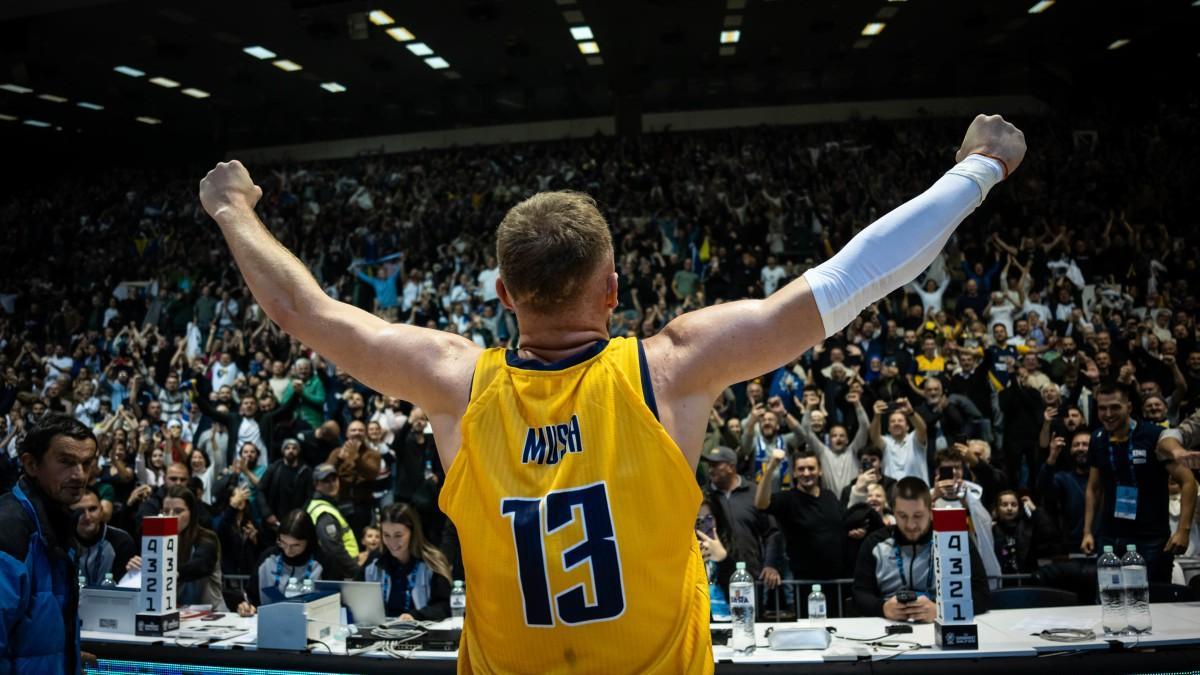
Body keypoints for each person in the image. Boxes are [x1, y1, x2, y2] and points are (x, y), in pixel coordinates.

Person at [200, 113, 1025, 672]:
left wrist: (233, 207)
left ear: (502, 294)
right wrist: (978, 168)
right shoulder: (665, 370)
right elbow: (852, 279)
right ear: (613, 290)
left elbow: (301, 309)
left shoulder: (456, 383)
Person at [0, 414, 96, 673]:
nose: (79, 475)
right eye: (65, 462)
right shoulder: (9, 529)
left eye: (86, 463)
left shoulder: (58, 523)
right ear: (31, 464)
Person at [1081, 384, 1196, 582]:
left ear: (1129, 406)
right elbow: (1093, 488)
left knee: (1153, 604)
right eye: (1102, 408)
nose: (1108, 414)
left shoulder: (1153, 436)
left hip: (1151, 538)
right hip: (1110, 538)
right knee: (1111, 602)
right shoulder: (1097, 438)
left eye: (1115, 407)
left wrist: (1183, 531)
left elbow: (1188, 482)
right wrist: (1087, 532)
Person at [853, 477, 990, 621]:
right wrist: (882, 607)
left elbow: (981, 594)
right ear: (893, 511)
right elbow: (860, 594)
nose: (910, 525)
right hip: (888, 627)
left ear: (931, 510)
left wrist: (942, 609)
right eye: (902, 516)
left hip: (940, 624)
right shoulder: (875, 543)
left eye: (918, 516)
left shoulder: (954, 538)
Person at [755, 449, 849, 580]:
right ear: (794, 473)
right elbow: (761, 503)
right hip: (805, 582)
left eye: (811, 468)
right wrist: (771, 468)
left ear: (820, 471)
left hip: (837, 580)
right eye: (801, 469)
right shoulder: (787, 499)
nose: (806, 473)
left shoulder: (830, 496)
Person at [125, 485, 224, 608]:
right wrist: (137, 568)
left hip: (210, 613)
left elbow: (200, 566)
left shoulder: (207, 538)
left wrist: (156, 569)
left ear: (191, 513)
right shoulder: (157, 540)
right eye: (166, 511)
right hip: (173, 612)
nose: (171, 516)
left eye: (178, 511)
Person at [358, 502, 453, 621]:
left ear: (412, 533)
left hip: (423, 633)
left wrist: (415, 616)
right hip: (382, 632)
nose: (392, 543)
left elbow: (445, 606)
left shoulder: (432, 562)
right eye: (386, 535)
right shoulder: (375, 560)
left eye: (398, 535)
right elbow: (355, 593)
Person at [237, 508, 332, 615]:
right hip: (269, 621)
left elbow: (334, 601)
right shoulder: (268, 558)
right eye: (283, 542)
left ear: (309, 541)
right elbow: (251, 596)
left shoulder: (323, 562)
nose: (288, 550)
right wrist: (246, 606)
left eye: (295, 545)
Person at [306, 463, 360, 579]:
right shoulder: (324, 512)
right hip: (341, 571)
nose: (332, 484)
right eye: (326, 481)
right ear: (316, 485)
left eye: (334, 479)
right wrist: (357, 572)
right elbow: (334, 549)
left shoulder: (326, 505)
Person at [74, 488, 136, 586]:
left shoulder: (122, 541)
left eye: (92, 509)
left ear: (101, 510)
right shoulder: (62, 541)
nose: (87, 516)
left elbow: (125, 587)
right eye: (80, 511)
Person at [992, 490, 1056, 574]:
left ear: (1019, 508)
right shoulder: (992, 529)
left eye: (1014, 505)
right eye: (1004, 505)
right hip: (1002, 580)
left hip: (1026, 578)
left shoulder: (1028, 527)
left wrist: (1034, 509)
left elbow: (1049, 533)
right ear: (997, 509)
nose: (1009, 508)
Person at [257, 438, 313, 533]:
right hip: (274, 519)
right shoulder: (274, 468)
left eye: (294, 448)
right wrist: (267, 513)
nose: (291, 450)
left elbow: (310, 496)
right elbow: (260, 490)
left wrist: (301, 515)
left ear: (298, 451)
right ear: (283, 451)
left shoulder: (306, 471)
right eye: (287, 448)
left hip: (296, 520)